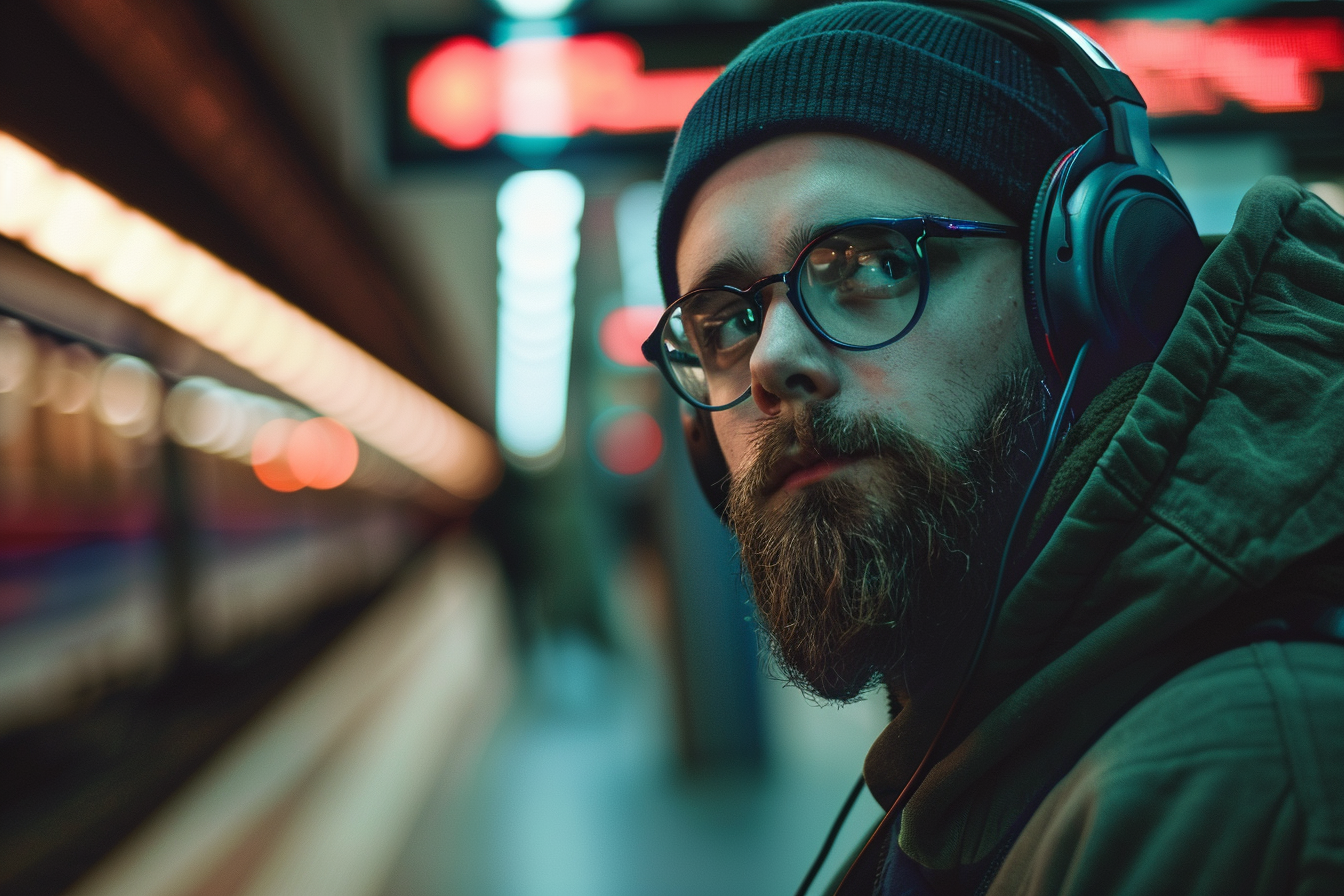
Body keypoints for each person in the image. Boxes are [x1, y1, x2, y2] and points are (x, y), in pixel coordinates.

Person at [642, 1, 1344, 894]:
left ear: (1088, 289)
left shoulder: (1245, 792)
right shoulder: (966, 761)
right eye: (723, 322)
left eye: (872, 262)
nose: (774, 358)